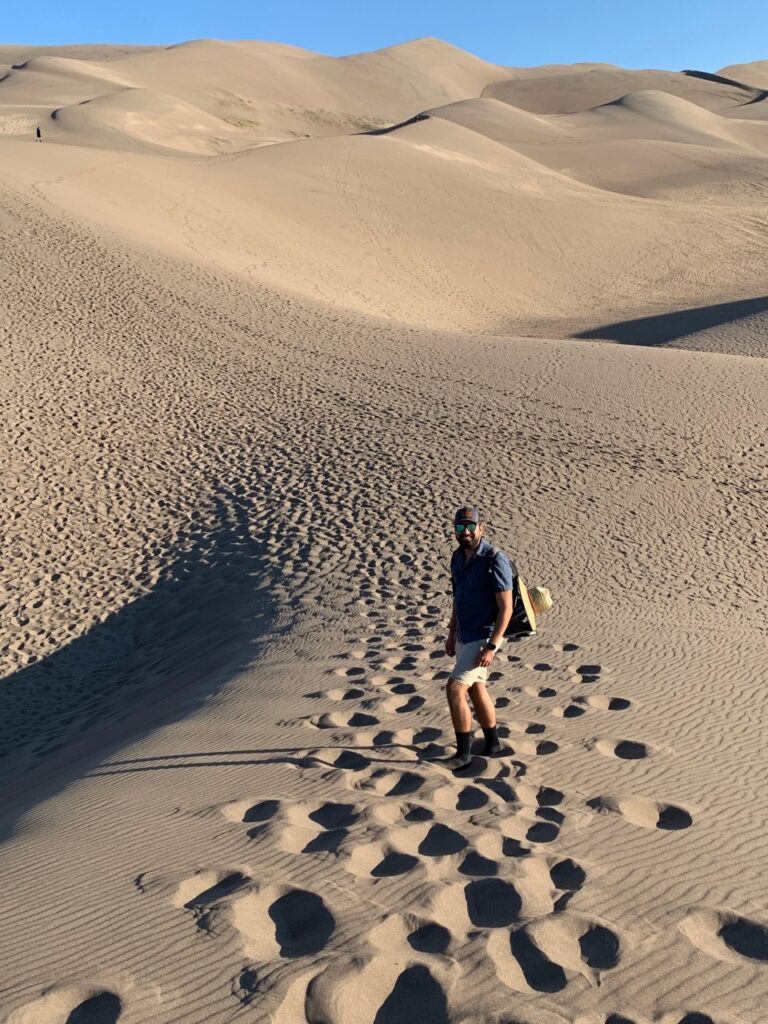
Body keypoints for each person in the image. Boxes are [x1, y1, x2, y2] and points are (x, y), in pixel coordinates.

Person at [443, 505, 515, 770]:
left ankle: (463, 755)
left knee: (454, 689)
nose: (466, 532)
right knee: (475, 688)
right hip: (464, 634)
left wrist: (492, 646)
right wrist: (452, 633)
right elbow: (457, 597)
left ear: (480, 529)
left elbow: (505, 607)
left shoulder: (495, 559)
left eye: (471, 527)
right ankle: (493, 744)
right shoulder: (457, 558)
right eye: (461, 527)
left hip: (483, 637)